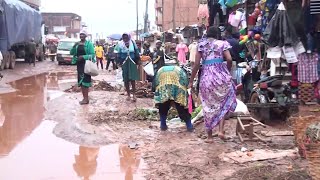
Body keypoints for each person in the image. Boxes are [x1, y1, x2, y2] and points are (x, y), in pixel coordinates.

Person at [189, 26, 237, 143]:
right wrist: (227, 70)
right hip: (221, 76)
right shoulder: (222, 44)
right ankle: (221, 131)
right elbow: (229, 59)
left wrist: (191, 81)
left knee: (208, 106)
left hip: (206, 78)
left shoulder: (201, 45)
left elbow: (196, 65)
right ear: (217, 34)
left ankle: (210, 137)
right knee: (223, 102)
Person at [154, 65, 193, 132]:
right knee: (181, 106)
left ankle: (163, 125)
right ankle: (189, 126)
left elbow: (155, 84)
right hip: (178, 85)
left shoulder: (160, 70)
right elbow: (185, 85)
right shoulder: (181, 71)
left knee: (163, 105)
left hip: (163, 84)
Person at [70, 30, 96, 105]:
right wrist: (74, 46)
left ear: (86, 36)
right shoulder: (77, 44)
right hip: (79, 65)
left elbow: (92, 55)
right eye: (80, 34)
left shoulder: (89, 44)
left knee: (85, 82)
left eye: (83, 34)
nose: (81, 36)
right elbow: (71, 53)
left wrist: (83, 57)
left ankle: (86, 98)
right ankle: (84, 98)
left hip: (87, 65)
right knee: (81, 83)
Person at [115, 33, 140, 102]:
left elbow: (136, 52)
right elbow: (118, 54)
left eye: (126, 37)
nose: (125, 39)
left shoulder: (132, 42)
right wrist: (118, 62)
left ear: (129, 37)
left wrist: (138, 60)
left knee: (132, 78)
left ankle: (134, 95)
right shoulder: (120, 44)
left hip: (132, 62)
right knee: (126, 79)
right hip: (124, 62)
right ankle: (128, 95)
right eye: (124, 37)